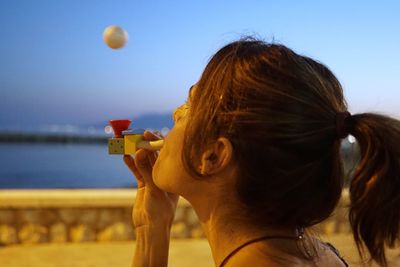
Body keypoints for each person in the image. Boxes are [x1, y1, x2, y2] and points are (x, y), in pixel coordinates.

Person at [123, 38, 400, 267]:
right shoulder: (317, 256)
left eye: (188, 108)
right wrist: (152, 229)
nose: (174, 114)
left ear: (213, 156)